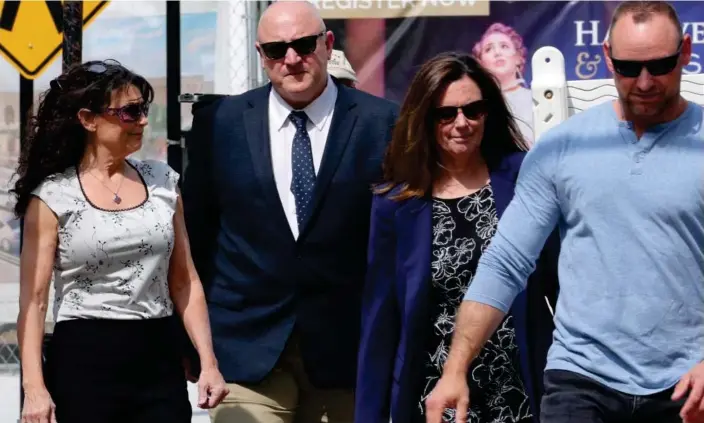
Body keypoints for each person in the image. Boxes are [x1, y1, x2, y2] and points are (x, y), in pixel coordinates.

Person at [426, 2, 704, 423]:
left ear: (685, 51)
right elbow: (505, 263)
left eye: (660, 65)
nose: (644, 81)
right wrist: (454, 369)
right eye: (629, 68)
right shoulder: (561, 148)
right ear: (608, 56)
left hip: (687, 383)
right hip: (580, 377)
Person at [181, 2, 399, 423]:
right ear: (262, 56)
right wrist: (192, 343)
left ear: (327, 44)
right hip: (246, 349)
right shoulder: (220, 124)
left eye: (303, 44)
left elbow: (399, 241)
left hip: (346, 352)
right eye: (277, 50)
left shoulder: (383, 123)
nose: (292, 59)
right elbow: (196, 237)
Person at [12, 60, 228, 423]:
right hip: (83, 362)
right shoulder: (52, 197)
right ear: (89, 119)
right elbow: (33, 302)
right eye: (130, 112)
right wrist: (34, 389)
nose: (143, 120)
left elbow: (184, 280)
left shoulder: (163, 182)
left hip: (158, 359)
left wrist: (209, 362)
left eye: (144, 109)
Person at [354, 52, 558, 423]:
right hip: (436, 396)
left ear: (489, 112)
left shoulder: (524, 178)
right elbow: (380, 319)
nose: (461, 123)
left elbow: (561, 283)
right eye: (445, 114)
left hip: (521, 387)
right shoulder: (396, 202)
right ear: (425, 120)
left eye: (473, 110)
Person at [473, 23, 534, 145]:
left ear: (518, 58)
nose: (497, 53)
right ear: (480, 63)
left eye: (504, 46)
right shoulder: (476, 106)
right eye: (488, 49)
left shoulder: (535, 99)